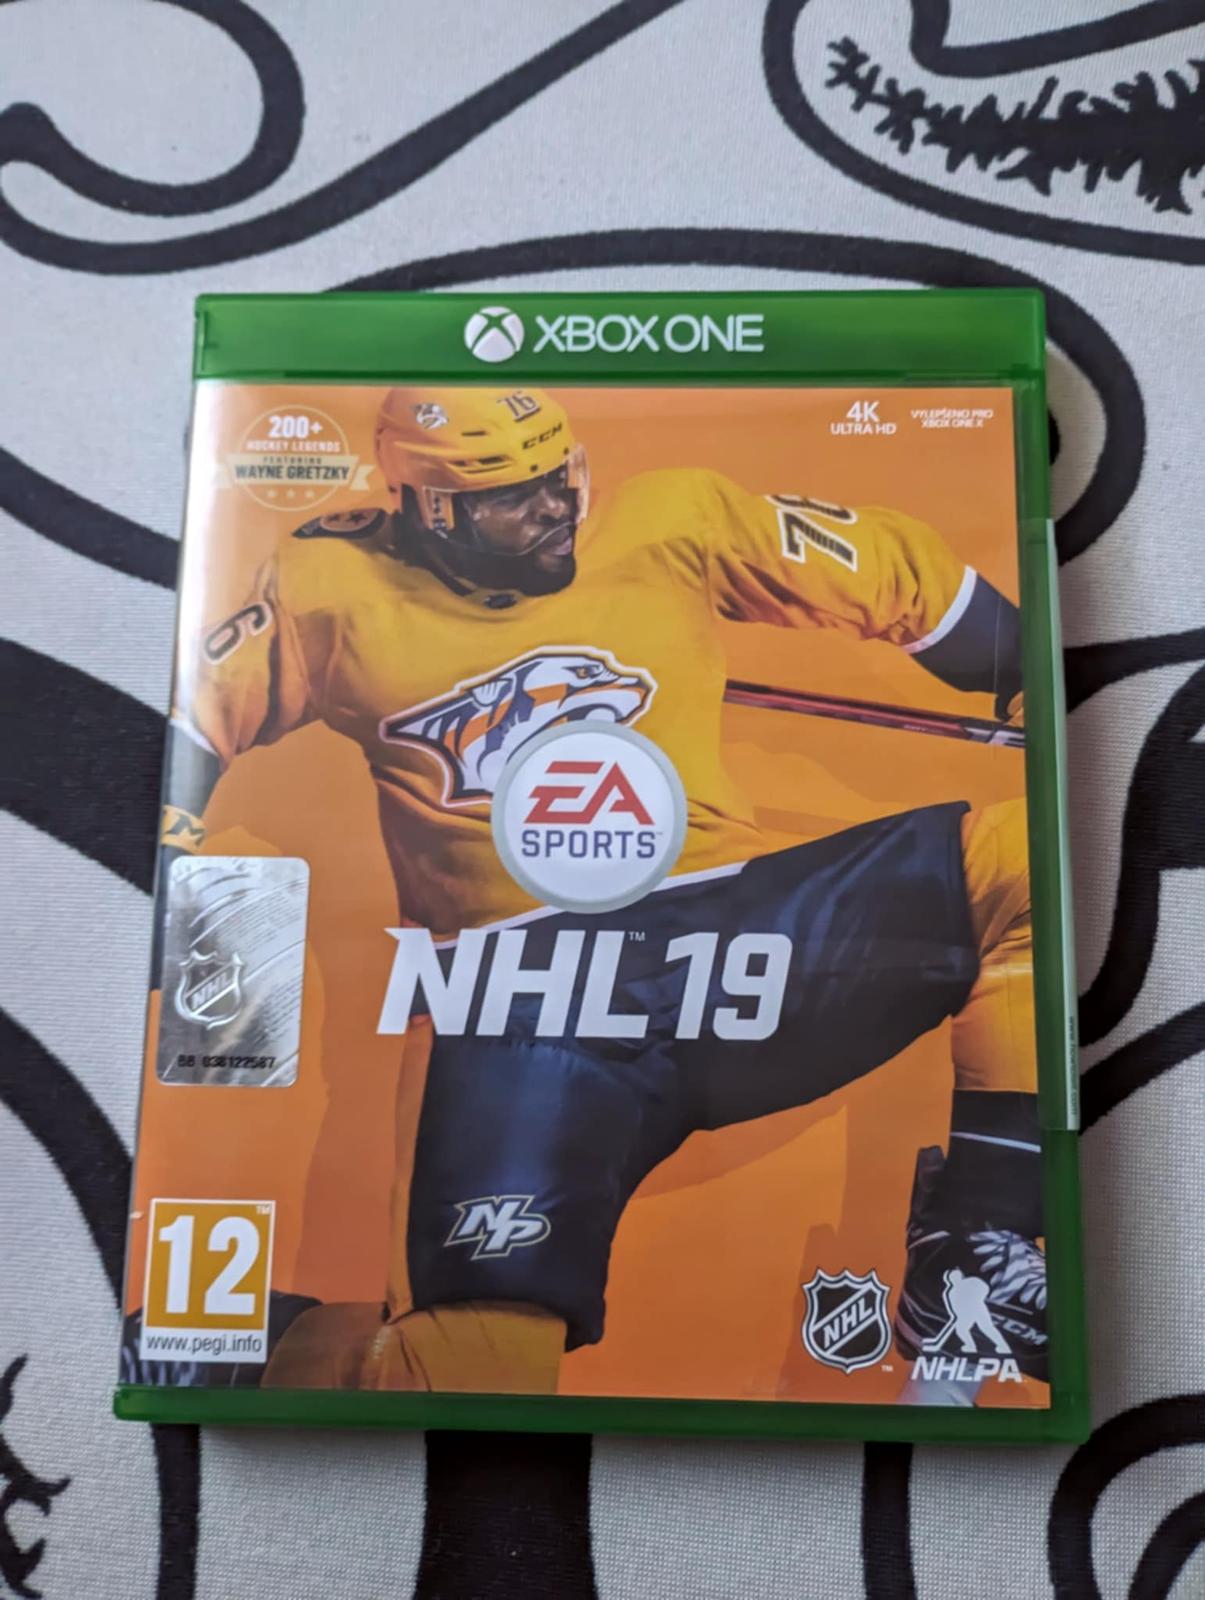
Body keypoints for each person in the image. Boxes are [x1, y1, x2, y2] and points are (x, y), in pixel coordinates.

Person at [159, 385, 1046, 1395]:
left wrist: (1025, 670)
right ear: (429, 506)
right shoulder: (327, 586)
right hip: (522, 1002)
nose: (555, 507)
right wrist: (174, 856)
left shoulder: (671, 520)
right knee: (467, 1381)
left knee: (1024, 861)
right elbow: (194, 717)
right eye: (513, 496)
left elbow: (897, 572)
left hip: (731, 937)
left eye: (560, 476)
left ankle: (971, 1244)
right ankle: (248, 1353)